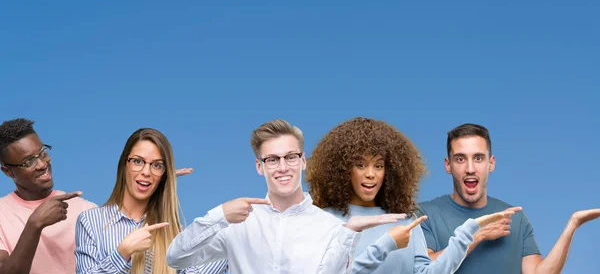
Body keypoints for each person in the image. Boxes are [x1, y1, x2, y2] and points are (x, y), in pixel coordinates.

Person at [166, 119, 406, 273]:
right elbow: (176, 258)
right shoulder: (237, 223)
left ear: (302, 161)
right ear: (259, 166)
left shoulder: (332, 227)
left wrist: (351, 232)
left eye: (290, 157)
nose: (283, 167)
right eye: (272, 159)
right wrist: (220, 215)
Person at [306, 117, 513, 273]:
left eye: (378, 165)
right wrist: (387, 244)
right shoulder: (324, 221)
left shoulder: (406, 221)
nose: (370, 173)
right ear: (343, 169)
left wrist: (467, 233)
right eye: (360, 165)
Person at [418, 123, 600, 273]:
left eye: (479, 158)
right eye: (460, 159)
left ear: (491, 163)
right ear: (448, 165)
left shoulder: (515, 218)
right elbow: (423, 269)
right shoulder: (426, 214)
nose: (470, 168)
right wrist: (477, 235)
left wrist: (573, 225)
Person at [75, 128, 228, 273]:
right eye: (137, 161)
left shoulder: (174, 233)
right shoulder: (90, 221)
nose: (146, 172)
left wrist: (228, 225)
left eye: (157, 165)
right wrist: (123, 253)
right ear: (124, 164)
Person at [0, 118, 97, 274]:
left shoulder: (85, 210)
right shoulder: (2, 215)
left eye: (42, 153)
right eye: (28, 162)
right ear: (7, 171)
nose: (42, 164)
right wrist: (34, 225)